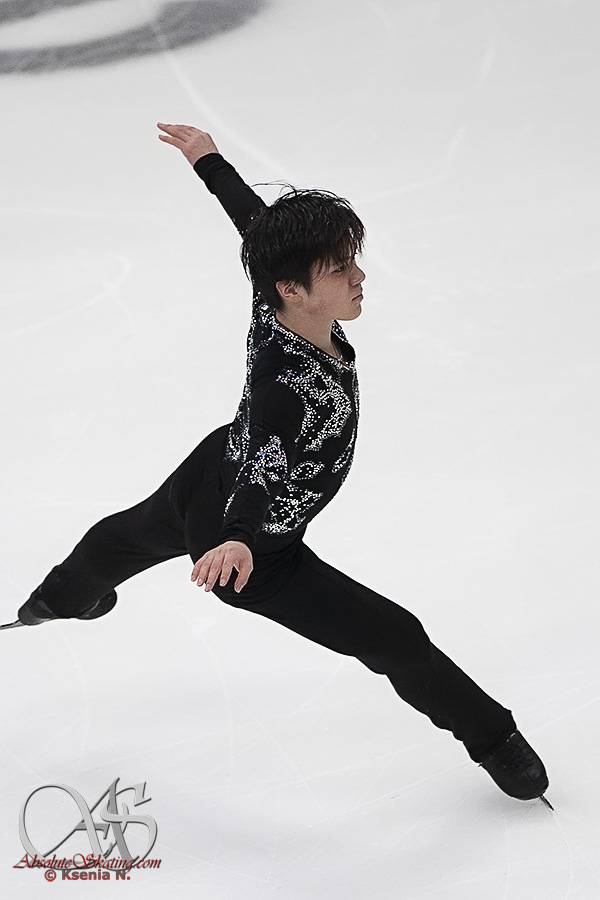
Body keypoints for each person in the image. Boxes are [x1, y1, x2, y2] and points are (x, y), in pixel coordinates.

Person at [15, 123, 551, 807]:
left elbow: (256, 225)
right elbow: (265, 466)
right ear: (293, 289)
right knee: (397, 637)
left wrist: (209, 161)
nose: (360, 276)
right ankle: (496, 740)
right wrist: (240, 537)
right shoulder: (285, 387)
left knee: (121, 538)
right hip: (251, 553)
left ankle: (56, 599)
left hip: (211, 469)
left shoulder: (278, 299)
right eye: (340, 270)